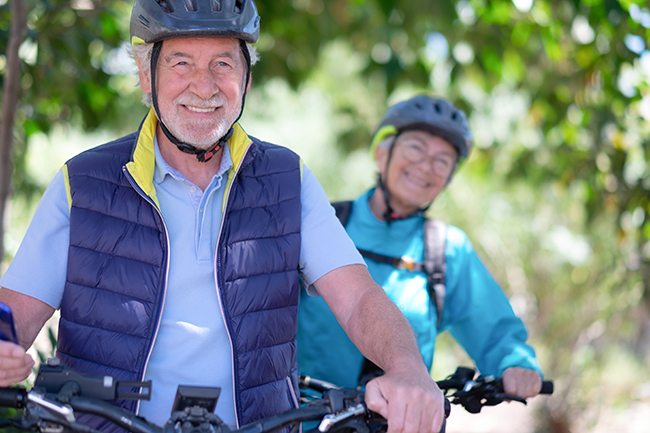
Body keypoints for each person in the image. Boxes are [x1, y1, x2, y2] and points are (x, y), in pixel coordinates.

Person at [0, 2, 446, 433]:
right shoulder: (84, 182)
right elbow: (15, 320)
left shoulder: (286, 179)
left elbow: (359, 298)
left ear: (247, 78)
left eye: (223, 64)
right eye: (180, 63)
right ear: (144, 74)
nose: (204, 86)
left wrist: (408, 369)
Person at [297, 95, 543, 399]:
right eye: (415, 148)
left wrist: (516, 364)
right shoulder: (324, 224)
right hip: (305, 419)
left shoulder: (447, 250)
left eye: (442, 161)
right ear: (381, 153)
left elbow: (496, 331)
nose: (426, 166)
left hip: (403, 420)